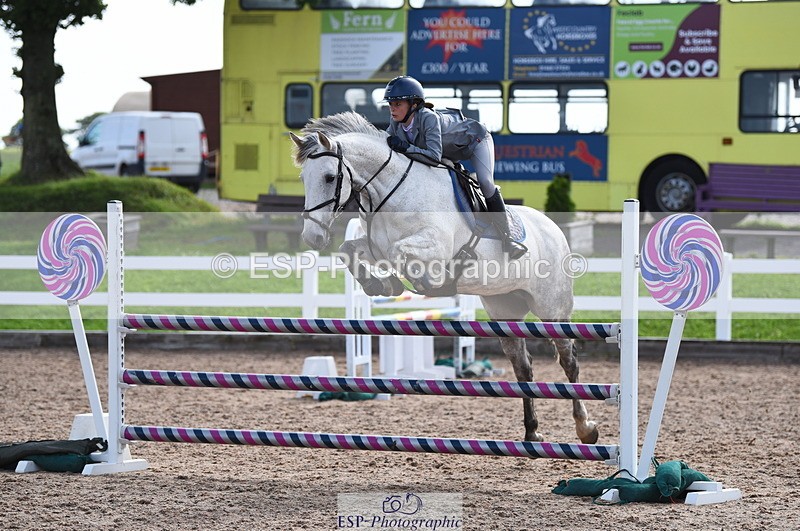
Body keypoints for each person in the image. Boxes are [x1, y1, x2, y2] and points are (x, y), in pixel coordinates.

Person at [383, 75, 527, 260]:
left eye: (398, 104)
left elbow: (434, 157)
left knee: (485, 182)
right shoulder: (396, 123)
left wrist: (406, 147)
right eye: (390, 104)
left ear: (413, 104)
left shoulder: (428, 118)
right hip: (449, 152)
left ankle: (508, 239)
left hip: (475, 142)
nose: (392, 109)